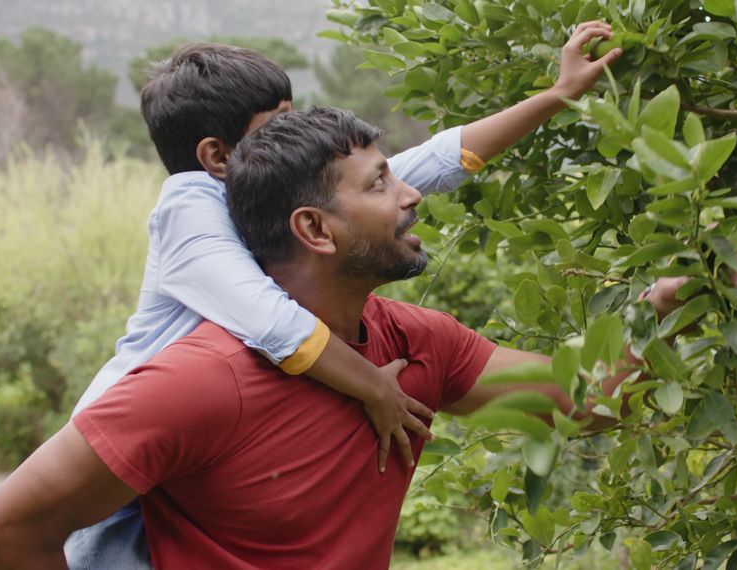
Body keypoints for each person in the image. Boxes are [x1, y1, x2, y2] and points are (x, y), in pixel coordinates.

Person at [0, 107, 737, 569]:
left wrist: (665, 304)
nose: (412, 192)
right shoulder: (200, 381)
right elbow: (1, 530)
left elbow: (584, 402)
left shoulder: (415, 342)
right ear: (314, 228)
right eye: (381, 182)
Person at [64, 22, 622, 568]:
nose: (299, 129)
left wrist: (557, 95)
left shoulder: (267, 202)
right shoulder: (190, 212)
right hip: (116, 480)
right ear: (216, 157)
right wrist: (375, 387)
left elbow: (424, 165)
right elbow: (271, 321)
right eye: (278, 124)